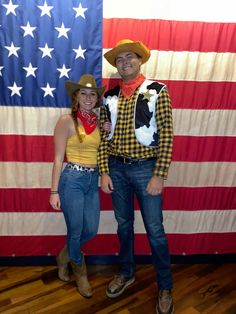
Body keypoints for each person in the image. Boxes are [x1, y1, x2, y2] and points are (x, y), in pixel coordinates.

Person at [98, 39, 174, 314]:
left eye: (130, 57)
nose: (125, 61)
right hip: (116, 168)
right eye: (120, 59)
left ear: (140, 60)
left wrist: (159, 174)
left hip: (146, 169)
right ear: (116, 65)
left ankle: (164, 287)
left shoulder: (157, 91)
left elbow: (166, 133)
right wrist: (104, 170)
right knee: (123, 225)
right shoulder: (109, 97)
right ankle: (127, 272)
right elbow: (104, 136)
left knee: (155, 230)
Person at [49, 74, 107, 298]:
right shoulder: (66, 121)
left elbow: (103, 152)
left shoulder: (100, 124)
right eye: (83, 93)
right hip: (72, 179)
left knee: (90, 229)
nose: (88, 97)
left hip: (93, 179)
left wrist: (107, 131)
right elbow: (57, 158)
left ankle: (64, 256)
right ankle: (80, 273)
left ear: (97, 98)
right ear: (76, 96)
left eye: (93, 93)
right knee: (75, 231)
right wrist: (54, 191)